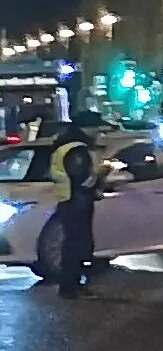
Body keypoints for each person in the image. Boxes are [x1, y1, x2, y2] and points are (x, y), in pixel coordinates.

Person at [39, 110, 102, 297]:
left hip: (68, 200)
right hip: (77, 202)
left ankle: (72, 286)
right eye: (97, 127)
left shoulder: (65, 145)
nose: (99, 131)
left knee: (73, 245)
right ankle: (71, 287)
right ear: (86, 128)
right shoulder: (77, 150)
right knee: (77, 246)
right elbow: (83, 180)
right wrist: (101, 174)